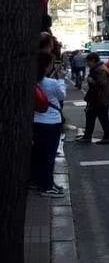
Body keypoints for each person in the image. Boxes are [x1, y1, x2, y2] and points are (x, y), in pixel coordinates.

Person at [32, 51, 66, 196]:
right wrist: (61, 80)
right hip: (51, 121)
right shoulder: (51, 82)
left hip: (36, 121)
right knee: (49, 155)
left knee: (39, 154)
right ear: (47, 66)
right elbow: (62, 96)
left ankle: (41, 182)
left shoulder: (33, 80)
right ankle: (47, 186)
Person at [76, 54, 109, 144]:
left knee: (98, 117)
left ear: (93, 60)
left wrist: (91, 81)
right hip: (99, 97)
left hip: (100, 98)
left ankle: (101, 137)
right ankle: (91, 136)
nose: (87, 64)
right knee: (96, 116)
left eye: (88, 62)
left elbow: (102, 83)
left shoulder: (100, 70)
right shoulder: (99, 68)